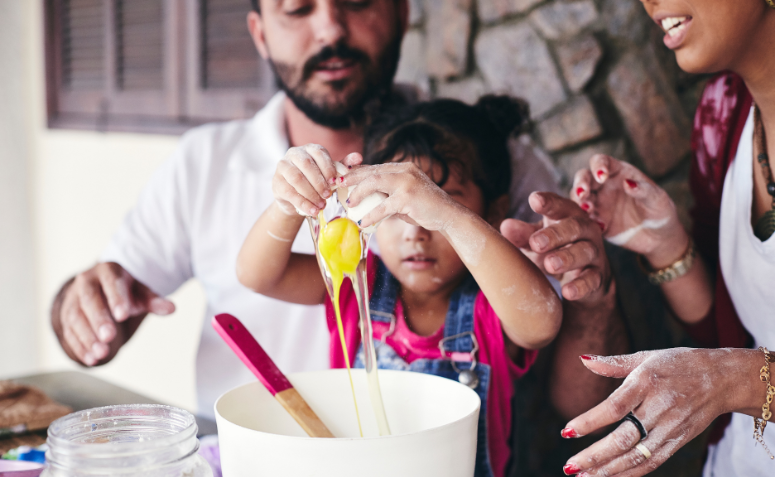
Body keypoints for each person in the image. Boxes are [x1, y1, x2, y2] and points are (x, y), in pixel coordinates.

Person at [49, 0, 621, 425]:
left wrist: (443, 208)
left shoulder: (486, 157)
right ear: (260, 33)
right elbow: (252, 274)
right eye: (297, 8)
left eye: (356, 0)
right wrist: (85, 308)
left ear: (401, 12)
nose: (329, 29)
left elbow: (546, 330)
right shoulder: (206, 164)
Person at [237, 95, 562, 477]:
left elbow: (541, 323)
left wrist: (450, 219)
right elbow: (258, 275)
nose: (415, 232)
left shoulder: (492, 302)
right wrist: (290, 202)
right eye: (392, 207)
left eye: (435, 209)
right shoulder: (358, 280)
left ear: (491, 211)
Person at [557, 0, 775, 476]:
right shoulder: (723, 115)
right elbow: (730, 335)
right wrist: (664, 243)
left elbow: (730, 367)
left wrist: (734, 382)